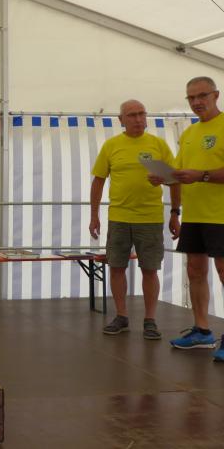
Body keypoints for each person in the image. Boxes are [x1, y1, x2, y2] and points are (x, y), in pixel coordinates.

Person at [89, 99, 180, 339]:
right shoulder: (111, 146)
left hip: (150, 218)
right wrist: (94, 215)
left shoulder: (158, 145)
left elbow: (174, 180)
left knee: (150, 269)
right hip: (119, 217)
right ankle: (121, 316)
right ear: (121, 120)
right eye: (132, 115)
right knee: (116, 267)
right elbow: (98, 181)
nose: (138, 119)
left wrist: (175, 213)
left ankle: (150, 320)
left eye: (141, 113)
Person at [159, 77, 224, 362]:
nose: (196, 102)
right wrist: (163, 177)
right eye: (191, 98)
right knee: (195, 271)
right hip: (195, 215)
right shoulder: (189, 132)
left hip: (220, 215)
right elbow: (179, 172)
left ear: (216, 95)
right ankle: (202, 330)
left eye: (202, 96)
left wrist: (203, 175)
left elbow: (200, 173)